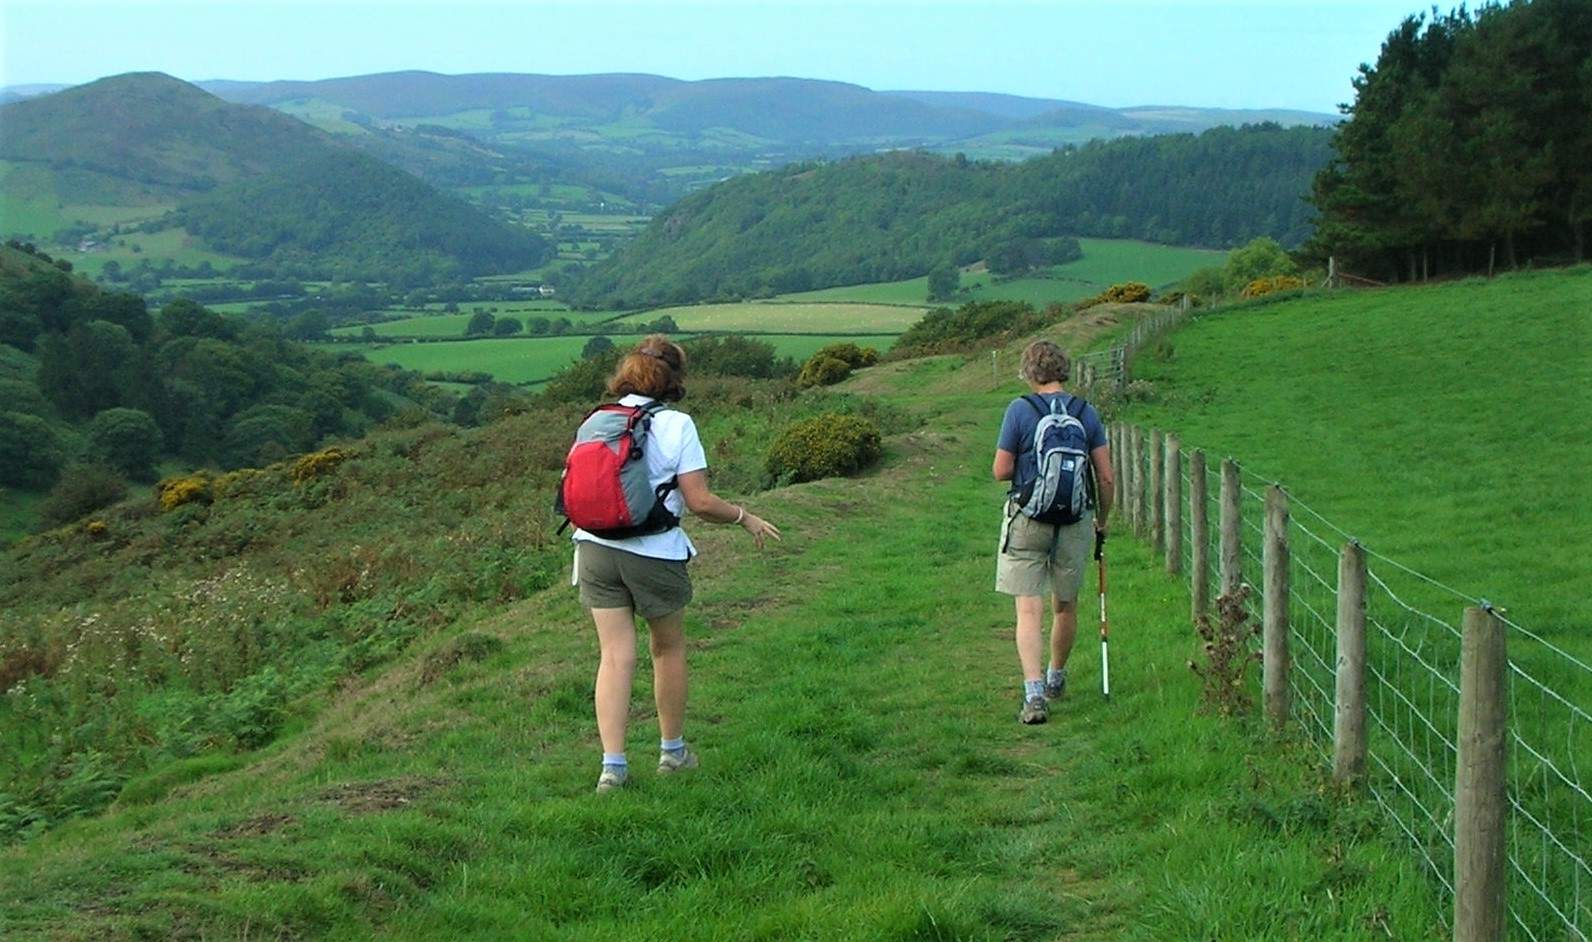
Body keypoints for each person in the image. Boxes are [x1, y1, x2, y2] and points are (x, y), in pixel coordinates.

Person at [570, 336, 781, 793]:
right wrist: (746, 518)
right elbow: (700, 502)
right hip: (652, 552)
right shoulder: (677, 425)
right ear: (675, 379)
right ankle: (672, 753)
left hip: (592, 548)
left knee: (614, 656)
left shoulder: (596, 420)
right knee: (666, 648)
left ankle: (613, 769)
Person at [992, 340, 1112, 724]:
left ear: (1030, 372)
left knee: (1029, 607)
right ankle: (1055, 677)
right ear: (1064, 369)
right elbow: (1105, 476)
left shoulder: (1019, 410)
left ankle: (1033, 694)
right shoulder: (1086, 412)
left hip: (1028, 516)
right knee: (1066, 604)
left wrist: (1033, 470)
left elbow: (1000, 470)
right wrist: (1102, 519)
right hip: (1075, 519)